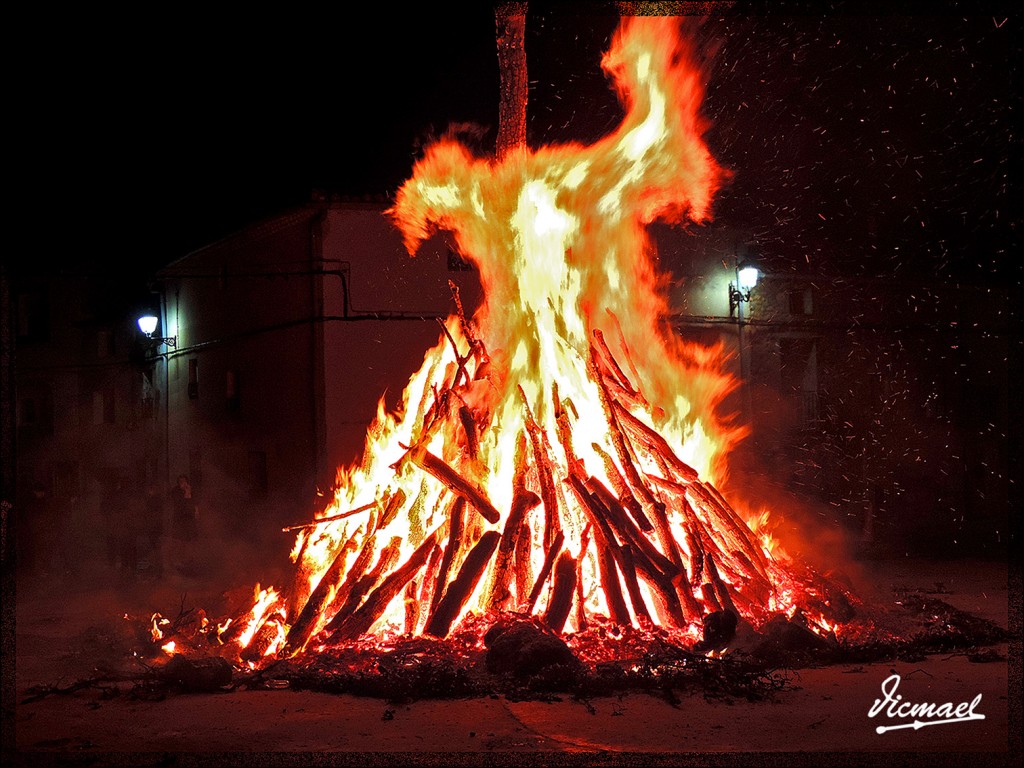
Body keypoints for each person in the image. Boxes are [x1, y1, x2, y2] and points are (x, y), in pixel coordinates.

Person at [168, 474, 199, 576]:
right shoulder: (175, 492)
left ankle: (190, 562)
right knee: (180, 542)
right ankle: (178, 564)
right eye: (180, 481)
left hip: (189, 521)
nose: (183, 483)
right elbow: (180, 505)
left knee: (190, 542)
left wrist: (196, 511)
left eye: (184, 481)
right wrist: (186, 494)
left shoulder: (190, 490)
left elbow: (194, 504)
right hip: (179, 521)